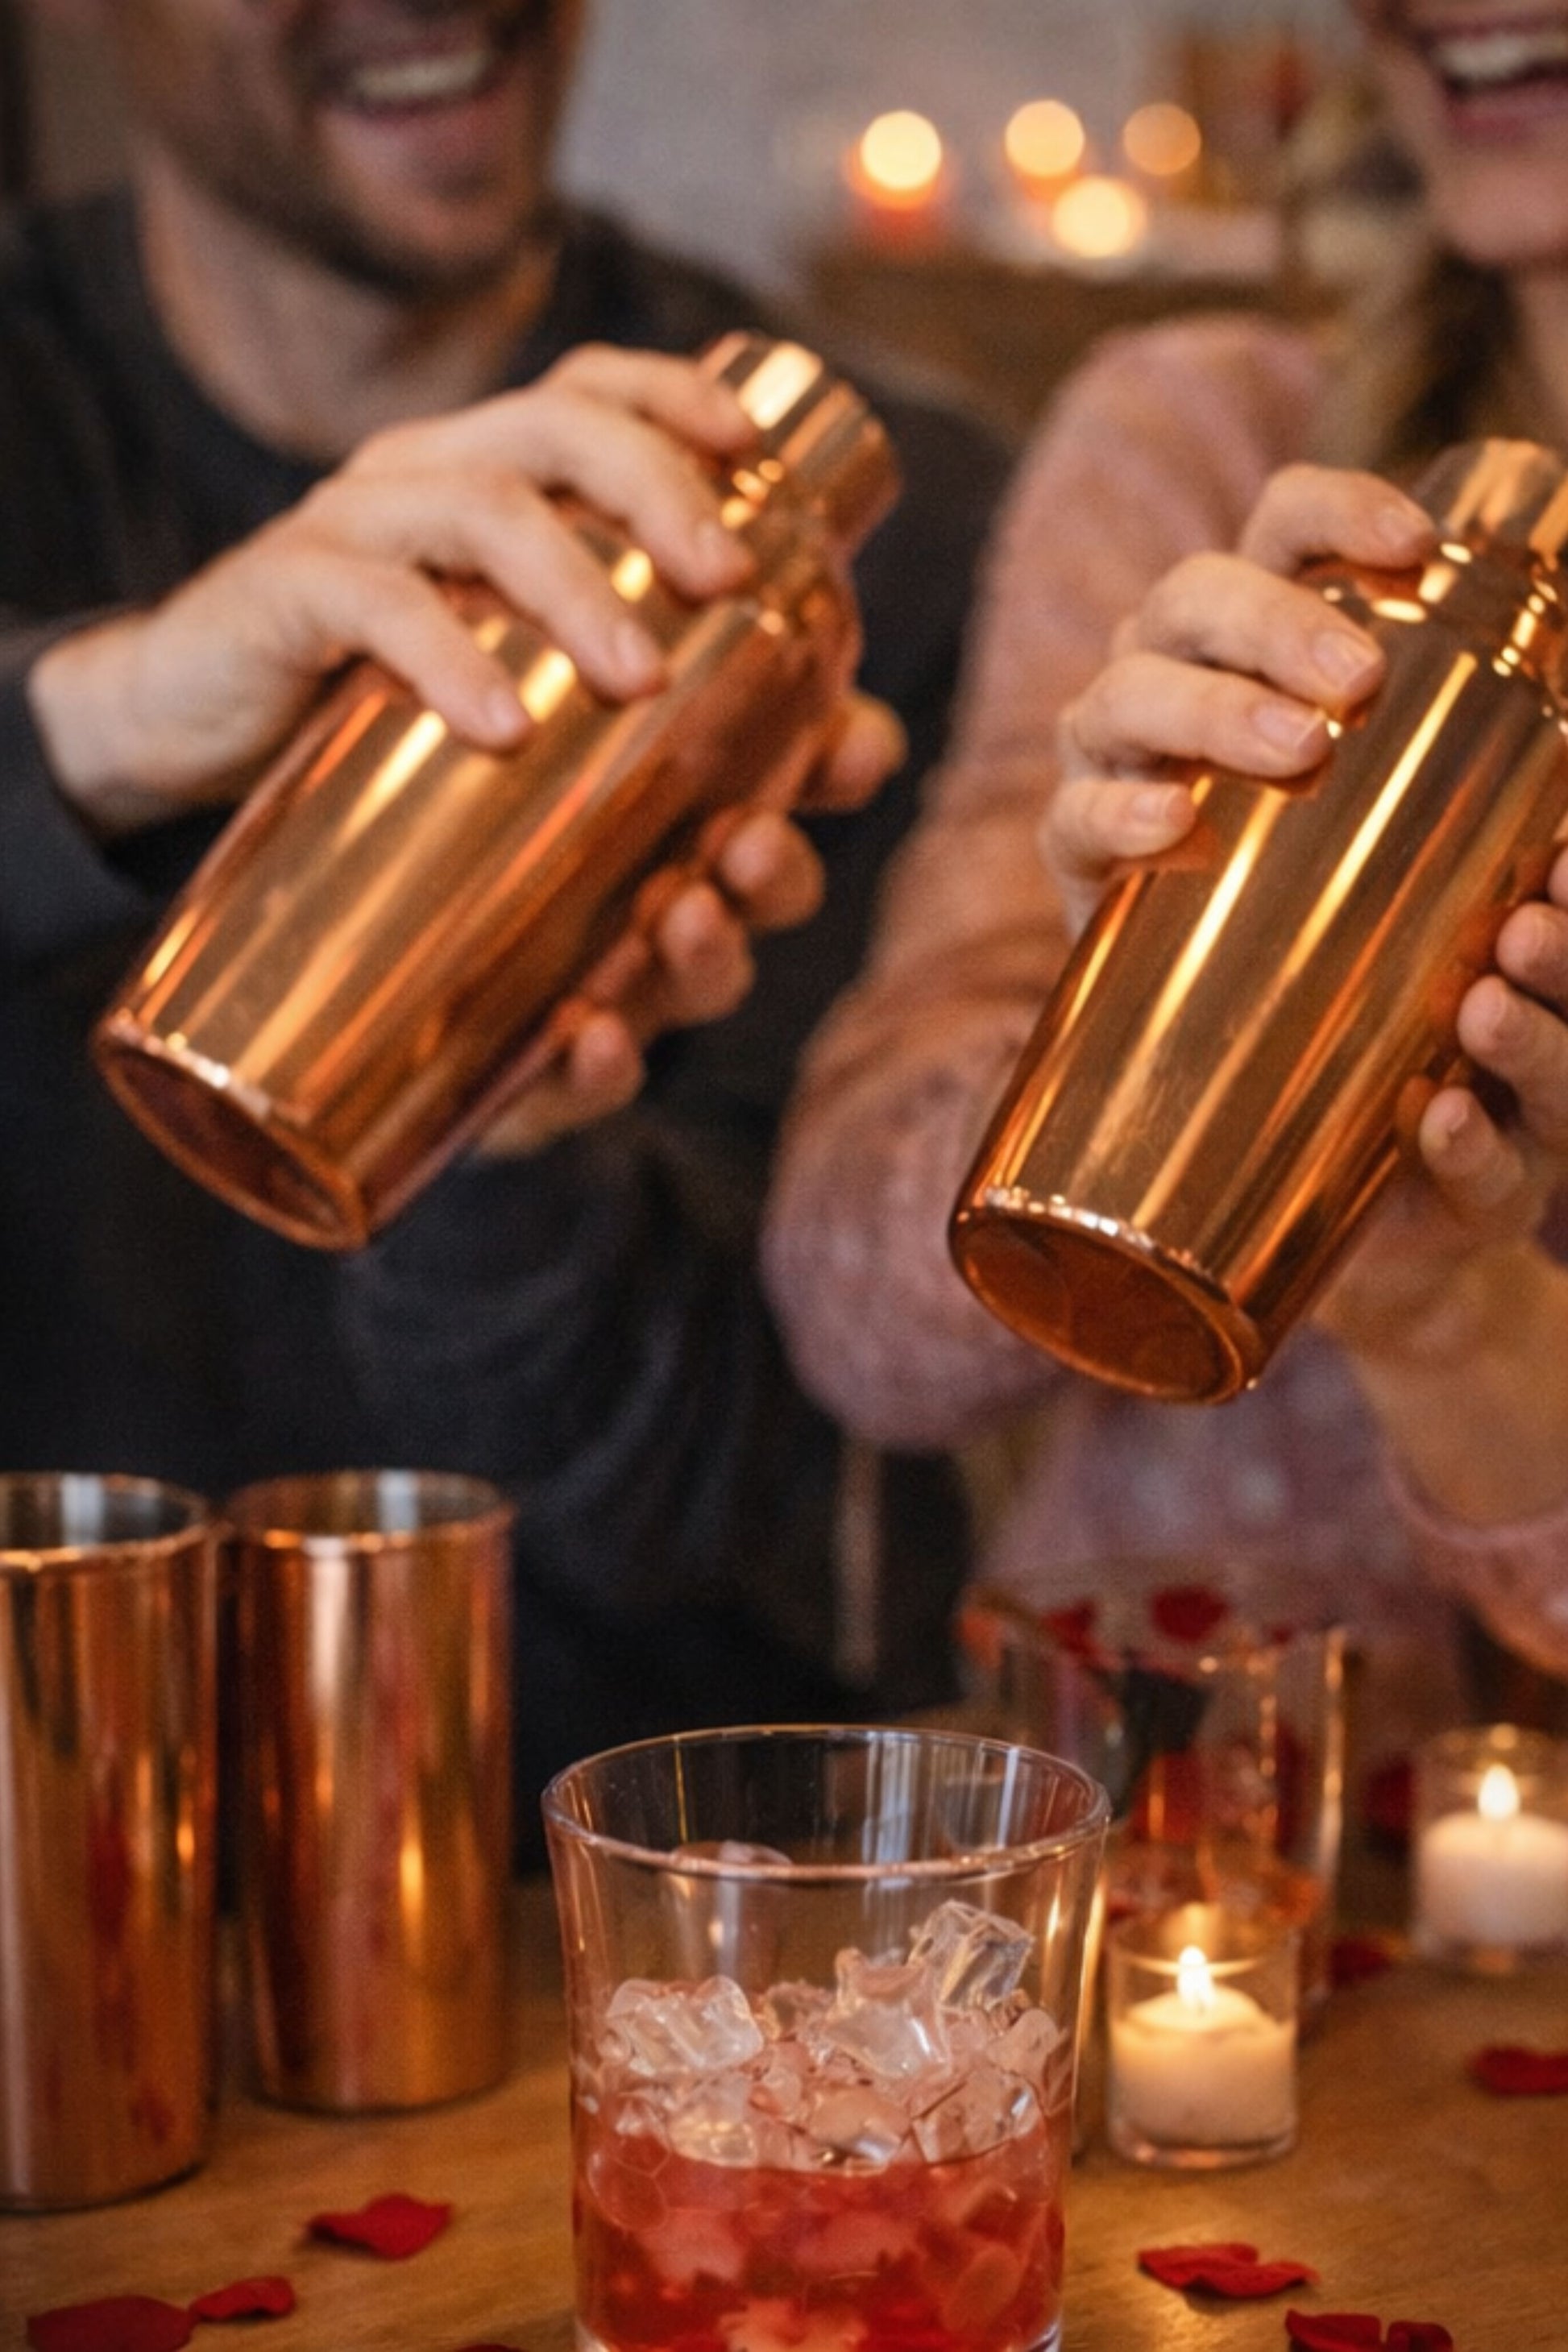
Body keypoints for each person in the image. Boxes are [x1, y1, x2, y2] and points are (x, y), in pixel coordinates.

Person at [0, 0, 1011, 1853]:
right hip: (46, 1900)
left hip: (603, 1935)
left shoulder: (876, 547)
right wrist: (110, 718)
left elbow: (756, 1521)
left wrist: (509, 1141)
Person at [764, 0, 1568, 1757]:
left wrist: (1461, 1326)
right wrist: (1124, 1009)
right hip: (1158, 1838)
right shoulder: (1211, 451)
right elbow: (860, 1328)